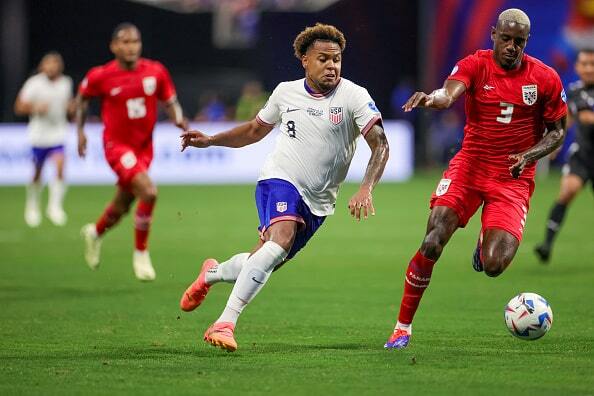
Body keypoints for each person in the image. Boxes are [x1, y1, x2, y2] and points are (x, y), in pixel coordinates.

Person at [179, 23, 389, 352]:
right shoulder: (284, 92)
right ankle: (225, 322)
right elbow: (253, 131)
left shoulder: (354, 96)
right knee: (281, 240)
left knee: (265, 258)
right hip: (280, 178)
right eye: (323, 59)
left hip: (319, 202)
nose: (332, 66)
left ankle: (212, 273)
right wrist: (210, 140)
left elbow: (380, 145)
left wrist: (366, 187)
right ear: (305, 60)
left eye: (336, 59)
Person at [384, 9, 568, 350]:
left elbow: (558, 132)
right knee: (432, 240)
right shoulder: (475, 64)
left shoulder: (545, 78)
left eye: (520, 42)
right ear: (494, 34)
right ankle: (401, 328)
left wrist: (529, 156)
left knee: (495, 265)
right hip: (469, 167)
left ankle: (483, 246)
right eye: (506, 39)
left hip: (512, 178)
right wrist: (432, 99)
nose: (512, 47)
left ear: (526, 42)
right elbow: (448, 93)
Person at [75, 23, 187, 281]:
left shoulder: (155, 71)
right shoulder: (100, 75)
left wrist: (180, 120)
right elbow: (82, 100)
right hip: (117, 146)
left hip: (144, 147)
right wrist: (79, 132)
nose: (131, 47)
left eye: (135, 41)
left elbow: (169, 100)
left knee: (124, 204)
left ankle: (94, 232)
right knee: (148, 191)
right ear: (114, 46)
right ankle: (141, 254)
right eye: (124, 42)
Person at [535, 48, 594, 262]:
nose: (588, 69)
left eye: (592, 64)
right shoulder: (574, 91)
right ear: (577, 67)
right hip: (584, 154)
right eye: (584, 64)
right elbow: (566, 120)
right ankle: (546, 245)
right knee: (568, 191)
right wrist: (555, 145)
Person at [14, 52, 74, 227]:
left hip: (58, 133)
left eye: (55, 64)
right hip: (39, 135)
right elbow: (18, 106)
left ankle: (54, 207)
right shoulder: (34, 84)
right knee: (37, 173)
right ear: (42, 66)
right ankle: (32, 205)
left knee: (61, 166)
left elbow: (68, 105)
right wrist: (34, 107)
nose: (52, 67)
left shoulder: (66, 83)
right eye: (48, 64)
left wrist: (71, 108)